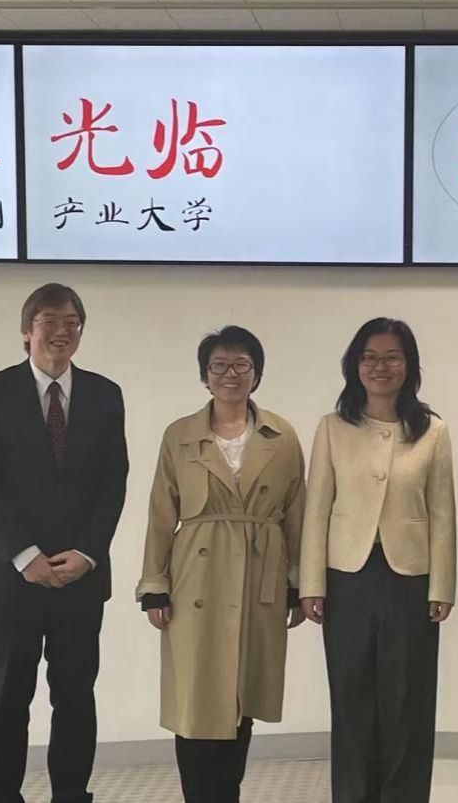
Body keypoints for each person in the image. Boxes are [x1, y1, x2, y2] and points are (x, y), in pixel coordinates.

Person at [0, 283, 128, 803]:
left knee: (76, 699)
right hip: (11, 577)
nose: (62, 332)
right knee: (7, 700)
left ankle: (72, 796)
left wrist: (88, 553)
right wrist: (25, 555)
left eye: (72, 323)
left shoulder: (105, 394)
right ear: (26, 331)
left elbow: (114, 483)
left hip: (80, 577)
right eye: (49, 322)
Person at [136, 326, 306, 803]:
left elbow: (298, 511)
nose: (230, 374)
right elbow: (160, 512)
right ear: (205, 375)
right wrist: (154, 583)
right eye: (219, 366)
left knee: (241, 693)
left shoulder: (282, 434)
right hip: (197, 577)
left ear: (257, 374)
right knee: (195, 696)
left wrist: (298, 581)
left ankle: (227, 793)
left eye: (241, 365)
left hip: (260, 574)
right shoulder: (180, 435)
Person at [300, 317, 456, 803]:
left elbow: (443, 513)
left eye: (392, 357)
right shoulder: (333, 428)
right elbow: (316, 509)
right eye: (369, 357)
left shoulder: (432, 431)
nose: (380, 366)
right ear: (355, 365)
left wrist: (442, 586)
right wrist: (311, 584)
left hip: (410, 579)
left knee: (407, 700)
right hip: (346, 578)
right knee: (351, 698)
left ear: (409, 366)